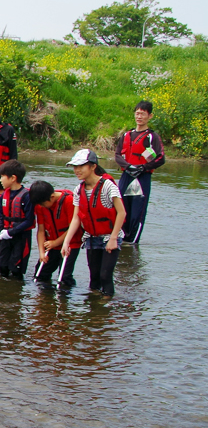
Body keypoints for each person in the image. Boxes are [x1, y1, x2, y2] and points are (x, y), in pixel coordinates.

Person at [62, 149, 126, 297]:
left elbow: (121, 212)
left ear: (92, 167)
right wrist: (67, 242)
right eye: (75, 167)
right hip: (92, 237)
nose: (77, 170)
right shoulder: (79, 189)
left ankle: (107, 306)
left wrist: (113, 238)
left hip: (110, 236)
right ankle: (94, 311)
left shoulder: (108, 186)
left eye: (81, 166)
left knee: (105, 276)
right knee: (94, 278)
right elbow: (77, 218)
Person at [114, 99, 164, 244]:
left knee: (137, 212)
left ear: (150, 116)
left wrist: (142, 168)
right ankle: (120, 239)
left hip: (142, 177)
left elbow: (160, 158)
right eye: (137, 113)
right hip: (127, 175)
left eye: (142, 114)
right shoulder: (126, 135)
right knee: (121, 207)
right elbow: (117, 155)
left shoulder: (152, 137)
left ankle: (133, 243)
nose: (139, 117)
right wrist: (128, 166)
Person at [30, 179, 79, 287]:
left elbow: (73, 227)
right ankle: (45, 300)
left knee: (64, 278)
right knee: (40, 275)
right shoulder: (40, 206)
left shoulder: (69, 201)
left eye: (43, 204)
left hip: (70, 244)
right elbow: (41, 230)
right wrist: (41, 253)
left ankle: (65, 299)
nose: (41, 206)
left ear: (52, 197)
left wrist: (56, 242)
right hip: (51, 245)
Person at [0, 159, 31, 278]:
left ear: (13, 178)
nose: (0, 179)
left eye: (2, 176)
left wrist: (11, 232)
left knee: (16, 269)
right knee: (2, 266)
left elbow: (29, 220)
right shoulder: (4, 195)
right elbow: (2, 217)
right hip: (4, 235)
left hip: (20, 238)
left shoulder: (26, 196)